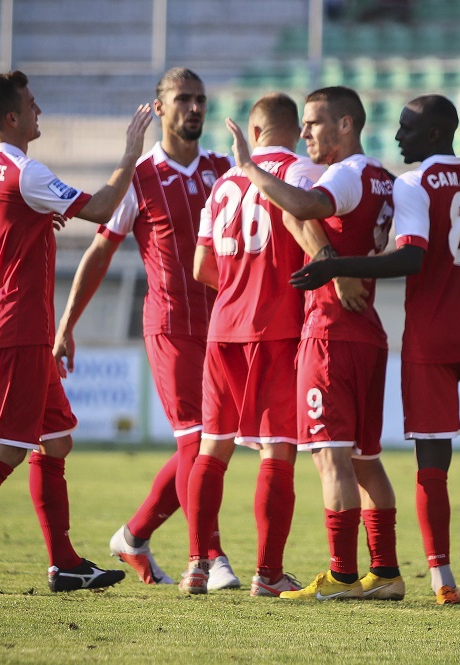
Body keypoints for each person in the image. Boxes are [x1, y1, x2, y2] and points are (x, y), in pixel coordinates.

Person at [289, 94, 460, 604]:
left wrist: (338, 266)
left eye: (406, 128)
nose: (398, 136)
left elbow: (412, 260)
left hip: (431, 336)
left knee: (432, 459)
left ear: (432, 134)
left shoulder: (414, 183)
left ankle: (442, 580)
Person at [0, 70, 153, 592]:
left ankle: (65, 563)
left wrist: (22, 223)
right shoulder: (23, 171)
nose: (39, 111)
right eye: (32, 105)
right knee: (4, 447)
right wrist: (130, 154)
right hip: (18, 324)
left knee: (56, 441)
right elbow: (98, 208)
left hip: (11, 321)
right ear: (12, 118)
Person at [53, 67, 238, 590]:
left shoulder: (227, 171)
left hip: (223, 328)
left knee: (209, 444)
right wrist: (66, 324)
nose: (195, 108)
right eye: (183, 99)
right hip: (171, 327)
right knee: (198, 441)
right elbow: (99, 251)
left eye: (201, 99)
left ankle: (133, 536)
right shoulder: (140, 178)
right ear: (159, 109)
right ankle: (209, 555)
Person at [224, 86, 404, 601]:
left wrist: (249, 166)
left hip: (329, 330)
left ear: (346, 125)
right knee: (367, 460)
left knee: (330, 458)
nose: (304, 133)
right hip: (367, 329)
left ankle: (344, 576)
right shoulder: (382, 179)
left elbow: (299, 204)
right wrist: (334, 260)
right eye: (301, 124)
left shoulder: (343, 175)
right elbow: (295, 217)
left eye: (315, 123)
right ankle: (386, 572)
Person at [180, 93, 330, 597]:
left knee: (212, 449)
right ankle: (267, 573)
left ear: (256, 131)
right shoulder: (303, 173)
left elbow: (202, 268)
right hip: (279, 329)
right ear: (292, 128)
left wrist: (241, 284)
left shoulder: (223, 183)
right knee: (276, 451)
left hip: (223, 329)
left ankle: (198, 565)